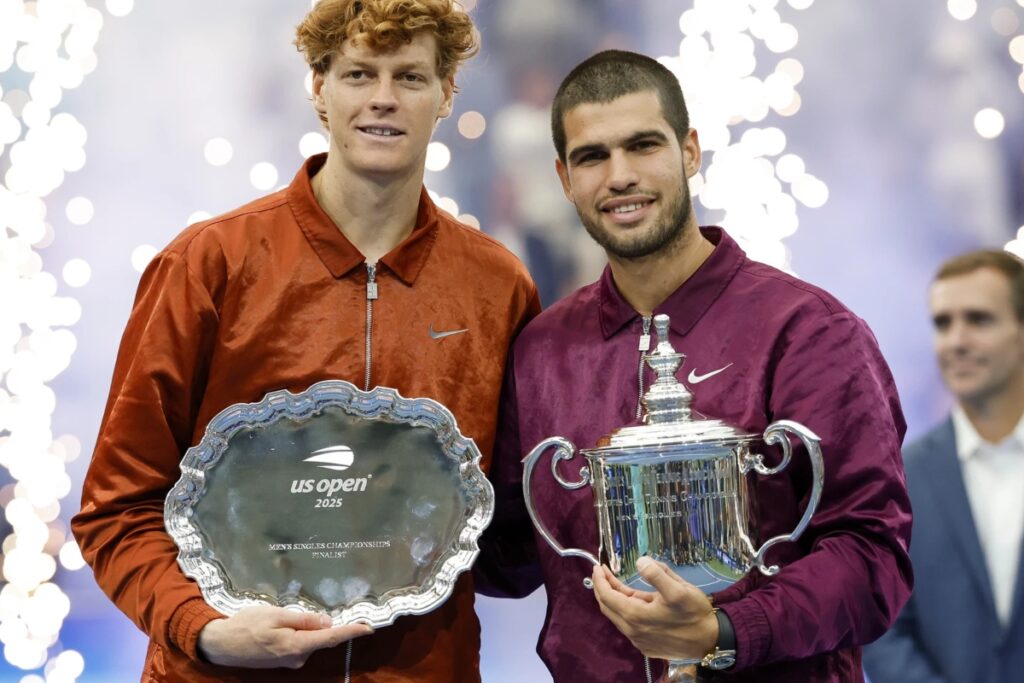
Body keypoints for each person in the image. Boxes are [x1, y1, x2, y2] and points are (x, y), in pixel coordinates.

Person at [70, 1, 540, 681]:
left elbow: (500, 535)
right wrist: (204, 627)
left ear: (446, 94)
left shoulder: (496, 285)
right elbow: (117, 507)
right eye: (358, 73)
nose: (383, 98)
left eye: (409, 77)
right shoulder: (208, 264)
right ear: (318, 87)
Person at [477, 49, 913, 682]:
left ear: (689, 152)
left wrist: (725, 631)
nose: (620, 175)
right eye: (592, 157)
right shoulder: (543, 349)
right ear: (564, 178)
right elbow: (514, 556)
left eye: (643, 146)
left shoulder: (808, 330)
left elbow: (874, 555)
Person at [863, 250, 1024, 683]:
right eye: (943, 323)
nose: (956, 340)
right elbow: (883, 629)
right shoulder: (901, 477)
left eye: (979, 319)